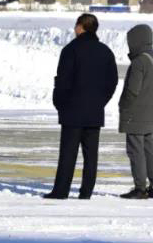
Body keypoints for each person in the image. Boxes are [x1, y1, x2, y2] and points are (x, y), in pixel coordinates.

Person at [44, 13, 118, 200]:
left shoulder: (71, 50)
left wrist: (60, 103)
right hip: (94, 111)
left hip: (72, 111)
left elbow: (63, 81)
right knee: (91, 156)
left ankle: (61, 191)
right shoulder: (105, 51)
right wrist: (101, 101)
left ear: (80, 27)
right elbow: (112, 82)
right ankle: (86, 192)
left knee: (68, 154)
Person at [118, 24, 153, 199]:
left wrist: (123, 104)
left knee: (135, 150)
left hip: (135, 113)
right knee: (148, 148)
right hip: (150, 112)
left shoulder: (139, 62)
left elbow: (132, 90)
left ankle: (140, 188)